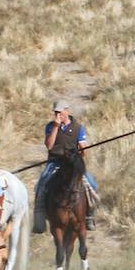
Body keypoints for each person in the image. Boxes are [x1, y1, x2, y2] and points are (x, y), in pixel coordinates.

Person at [32, 100, 98, 234]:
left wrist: (82, 150)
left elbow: (83, 148)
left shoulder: (78, 128)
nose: (57, 114)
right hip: (54, 162)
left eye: (60, 111)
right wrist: (56, 127)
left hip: (72, 163)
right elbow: (49, 146)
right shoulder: (50, 127)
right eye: (55, 112)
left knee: (92, 184)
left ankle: (89, 215)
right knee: (41, 184)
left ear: (67, 111)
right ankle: (39, 221)